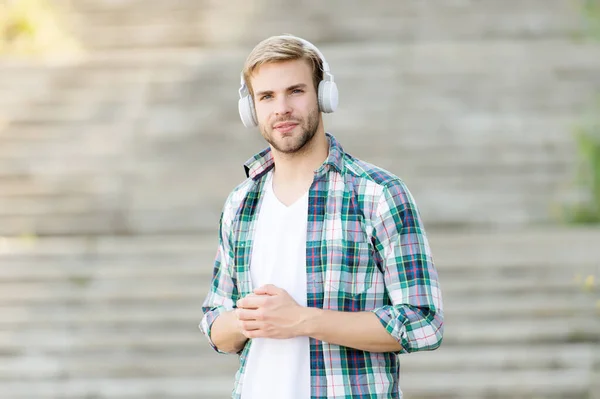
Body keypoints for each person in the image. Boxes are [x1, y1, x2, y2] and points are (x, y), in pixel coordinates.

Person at [199, 34, 444, 399]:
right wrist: (243, 320)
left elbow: (424, 322)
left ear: (323, 95)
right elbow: (216, 326)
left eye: (295, 91)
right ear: (251, 109)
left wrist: (300, 319)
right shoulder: (241, 202)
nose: (281, 108)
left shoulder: (377, 194)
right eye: (266, 96)